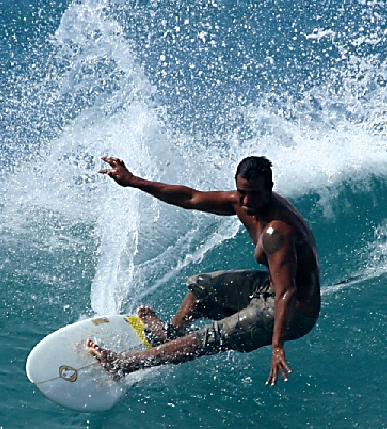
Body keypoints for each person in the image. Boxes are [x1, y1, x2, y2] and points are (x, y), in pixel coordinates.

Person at [88, 155, 321, 385]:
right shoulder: (241, 203)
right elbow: (190, 197)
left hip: (295, 311)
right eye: (242, 192)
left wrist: (277, 345)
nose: (247, 201)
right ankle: (171, 334)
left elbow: (287, 292)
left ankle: (123, 365)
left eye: (255, 193)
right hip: (270, 287)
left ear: (269, 187)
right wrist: (133, 181)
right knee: (202, 287)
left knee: (214, 334)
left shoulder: (277, 230)